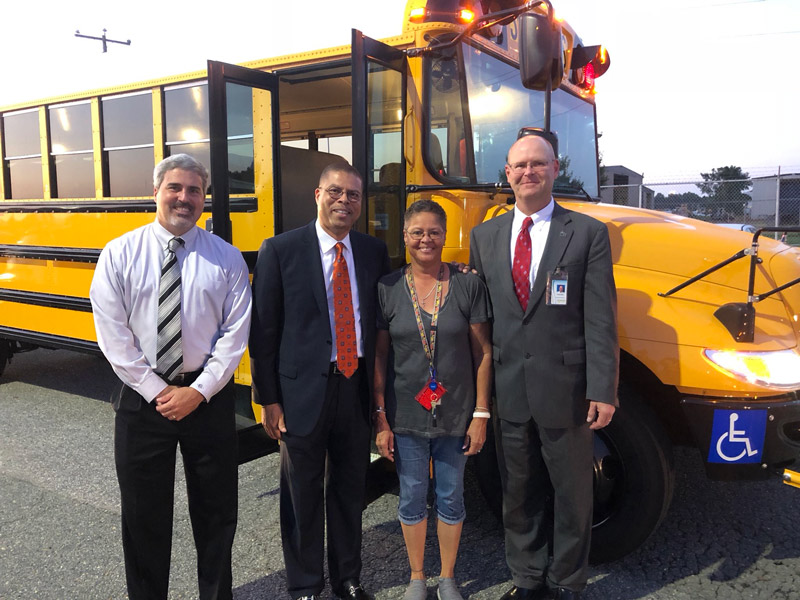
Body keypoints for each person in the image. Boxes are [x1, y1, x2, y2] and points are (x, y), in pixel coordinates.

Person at [89, 153, 252, 600]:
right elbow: (113, 335)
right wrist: (162, 391)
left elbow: (235, 336)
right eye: (175, 188)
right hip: (143, 401)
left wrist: (197, 392)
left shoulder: (227, 259)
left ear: (205, 198)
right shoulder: (120, 253)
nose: (184, 198)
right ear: (156, 191)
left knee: (217, 513)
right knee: (143, 517)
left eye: (194, 190)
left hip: (208, 398)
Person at [469, 131, 619, 600]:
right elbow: (482, 320)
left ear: (556, 170)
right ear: (507, 175)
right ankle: (527, 578)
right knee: (518, 493)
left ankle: (568, 580)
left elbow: (600, 318)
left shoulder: (587, 233)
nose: (528, 172)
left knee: (573, 495)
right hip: (510, 389)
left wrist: (603, 389)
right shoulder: (484, 236)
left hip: (567, 390)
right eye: (519, 166)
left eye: (538, 164)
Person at [249, 162, 390, 600]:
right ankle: (306, 585)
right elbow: (264, 331)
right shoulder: (280, 250)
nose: (344, 201)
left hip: (354, 388)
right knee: (301, 495)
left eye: (352, 195)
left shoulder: (371, 251)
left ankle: (348, 579)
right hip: (300, 392)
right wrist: (268, 399)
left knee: (349, 489)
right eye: (335, 192)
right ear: (317, 194)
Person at [373, 200, 493, 600]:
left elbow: (483, 354)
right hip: (405, 414)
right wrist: (380, 419)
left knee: (451, 495)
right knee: (411, 496)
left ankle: (447, 577)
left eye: (434, 232)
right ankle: (416, 576)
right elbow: (380, 357)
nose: (426, 239)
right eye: (417, 232)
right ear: (404, 237)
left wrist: (481, 413)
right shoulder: (388, 288)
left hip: (456, 414)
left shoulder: (467, 285)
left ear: (445, 236)